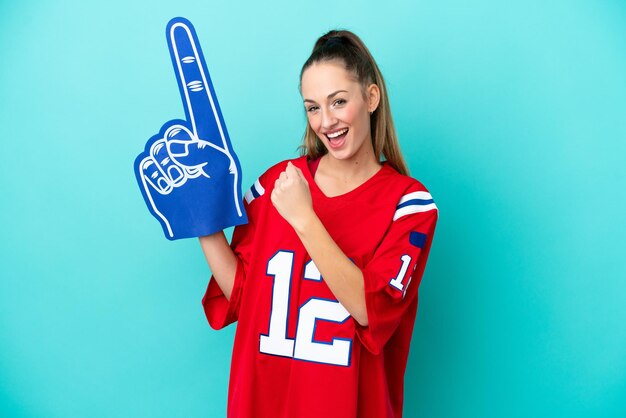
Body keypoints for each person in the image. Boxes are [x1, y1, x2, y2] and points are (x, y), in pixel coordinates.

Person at [198, 29, 438, 418]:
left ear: (371, 98)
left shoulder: (408, 206)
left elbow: (369, 309)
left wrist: (304, 219)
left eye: (338, 102)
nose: (326, 122)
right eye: (312, 108)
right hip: (263, 403)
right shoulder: (276, 183)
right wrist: (202, 220)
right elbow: (245, 296)